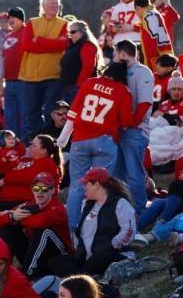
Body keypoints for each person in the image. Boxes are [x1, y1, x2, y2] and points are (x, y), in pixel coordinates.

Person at [57, 60, 133, 230]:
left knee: (77, 185)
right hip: (104, 141)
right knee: (100, 186)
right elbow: (127, 122)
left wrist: (63, 139)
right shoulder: (122, 90)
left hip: (80, 140)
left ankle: (70, 229)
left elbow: (73, 113)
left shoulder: (90, 83)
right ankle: (94, 227)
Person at [56, 167, 136, 276]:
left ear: (96, 184)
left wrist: (112, 245)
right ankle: (83, 277)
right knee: (55, 261)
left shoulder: (120, 203)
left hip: (113, 254)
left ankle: (83, 277)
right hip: (89, 257)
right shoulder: (87, 205)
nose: (84, 188)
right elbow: (83, 233)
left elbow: (129, 231)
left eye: (86, 184)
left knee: (97, 259)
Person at [0, 171, 72, 278]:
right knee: (8, 228)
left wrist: (17, 218)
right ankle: (2, 271)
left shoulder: (58, 207)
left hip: (58, 258)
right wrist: (12, 217)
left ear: (52, 190)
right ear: (32, 190)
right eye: (36, 188)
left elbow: (41, 221)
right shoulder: (29, 204)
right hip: (36, 256)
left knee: (43, 231)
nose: (40, 192)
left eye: (44, 189)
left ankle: (26, 274)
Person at [111, 39, 155, 216]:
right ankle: (120, 207)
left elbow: (144, 103)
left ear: (122, 54)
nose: (113, 58)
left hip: (135, 131)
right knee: (117, 172)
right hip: (120, 129)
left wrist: (132, 124)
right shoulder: (120, 72)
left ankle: (139, 210)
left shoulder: (142, 72)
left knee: (134, 172)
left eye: (115, 54)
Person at [18, 0, 69, 139]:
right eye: (51, 3)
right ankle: (35, 142)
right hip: (30, 76)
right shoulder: (32, 22)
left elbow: (62, 44)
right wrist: (51, 44)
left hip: (53, 75)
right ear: (43, 6)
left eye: (56, 3)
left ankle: (50, 142)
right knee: (31, 113)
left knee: (51, 112)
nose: (55, 6)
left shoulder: (64, 24)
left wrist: (39, 40)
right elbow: (27, 45)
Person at [58, 20, 100, 106]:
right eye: (69, 32)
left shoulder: (87, 45)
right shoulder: (72, 46)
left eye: (73, 32)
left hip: (78, 89)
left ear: (82, 32)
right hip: (68, 88)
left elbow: (88, 68)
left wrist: (79, 86)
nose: (70, 35)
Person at [1, 7, 26, 138]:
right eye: (9, 18)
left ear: (21, 19)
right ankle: (11, 144)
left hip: (24, 81)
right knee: (10, 116)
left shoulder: (27, 32)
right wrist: (1, 79)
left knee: (24, 115)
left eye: (13, 17)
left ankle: (24, 144)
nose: (10, 20)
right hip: (9, 82)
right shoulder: (7, 37)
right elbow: (3, 58)